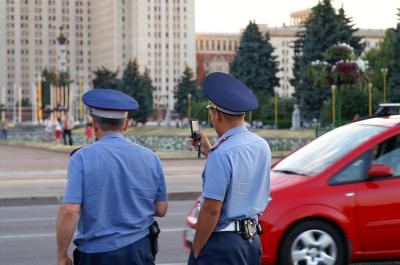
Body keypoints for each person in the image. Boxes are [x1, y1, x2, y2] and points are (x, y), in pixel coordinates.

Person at [56, 89, 168, 265]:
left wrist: (62, 255)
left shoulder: (82, 158)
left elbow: (70, 211)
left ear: (94, 124)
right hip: (139, 251)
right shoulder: (150, 157)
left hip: (96, 255)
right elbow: (161, 209)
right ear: (125, 124)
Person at [188, 72, 271, 265]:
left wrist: (196, 250)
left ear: (216, 115)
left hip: (223, 247)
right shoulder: (261, 145)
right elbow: (240, 173)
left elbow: (211, 210)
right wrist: (210, 151)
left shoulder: (223, 153)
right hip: (252, 242)